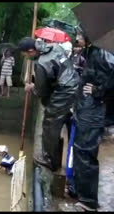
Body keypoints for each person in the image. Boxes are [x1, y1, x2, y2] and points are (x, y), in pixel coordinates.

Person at [18, 37, 79, 172]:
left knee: (50, 124)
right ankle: (58, 158)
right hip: (74, 83)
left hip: (64, 91)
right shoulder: (55, 47)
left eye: (27, 55)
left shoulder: (41, 63)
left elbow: (41, 91)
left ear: (31, 50)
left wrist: (31, 87)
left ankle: (50, 160)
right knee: (62, 121)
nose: (27, 58)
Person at [71, 26, 114, 211]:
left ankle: (88, 201)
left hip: (93, 111)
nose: (76, 38)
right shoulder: (92, 51)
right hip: (86, 110)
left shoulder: (102, 53)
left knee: (86, 152)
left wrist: (98, 91)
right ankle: (82, 194)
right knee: (81, 151)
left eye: (78, 35)